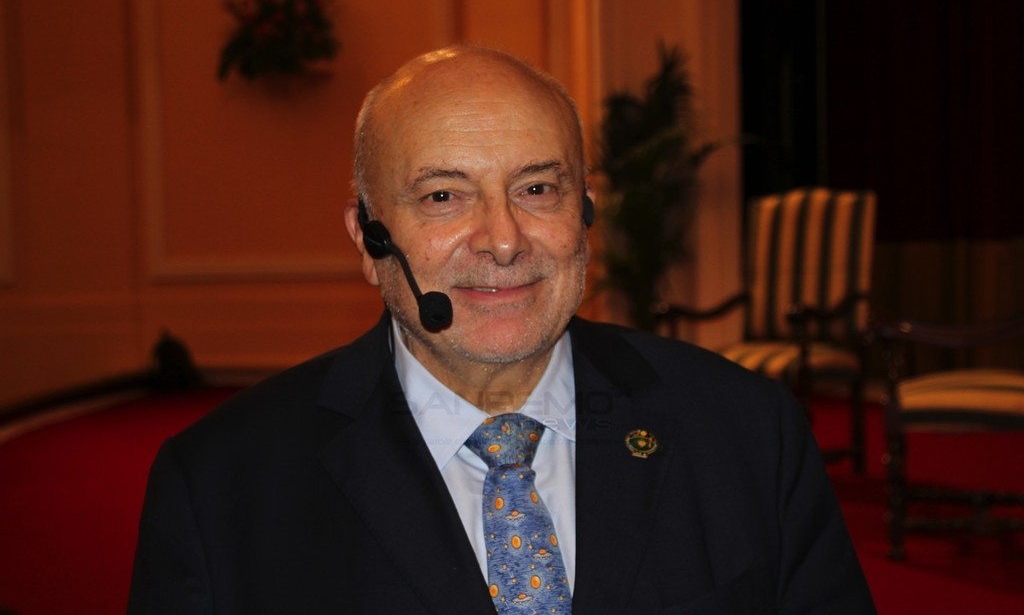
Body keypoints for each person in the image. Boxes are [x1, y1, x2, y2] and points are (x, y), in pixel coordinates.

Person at [128, 45, 875, 614]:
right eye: (444, 196)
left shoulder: (748, 430)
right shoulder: (221, 486)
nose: (505, 239)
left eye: (537, 188)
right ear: (367, 236)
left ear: (584, 212)